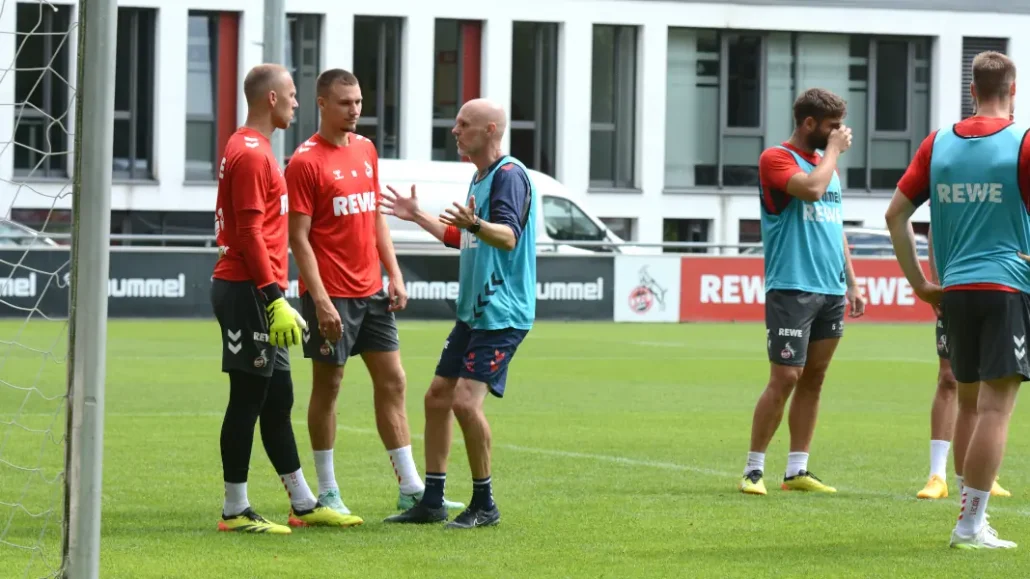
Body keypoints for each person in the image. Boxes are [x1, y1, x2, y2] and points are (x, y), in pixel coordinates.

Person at [285, 68, 463, 516]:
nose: (356, 111)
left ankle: (409, 487)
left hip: (372, 291)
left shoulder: (365, 150)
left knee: (395, 381)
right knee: (330, 386)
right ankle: (327, 491)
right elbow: (299, 238)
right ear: (322, 103)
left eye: (359, 102)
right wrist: (320, 299)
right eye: (346, 103)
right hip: (332, 295)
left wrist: (395, 273)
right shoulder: (304, 162)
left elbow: (375, 217)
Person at [887, 50, 1029, 549]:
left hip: (954, 292)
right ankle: (969, 525)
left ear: (973, 91)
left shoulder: (938, 142)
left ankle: (971, 519)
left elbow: (895, 216)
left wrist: (921, 284)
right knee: (997, 409)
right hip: (1005, 287)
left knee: (968, 403)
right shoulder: (1022, 142)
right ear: (1013, 91)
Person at [210, 63, 360, 534]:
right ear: (271, 99)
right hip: (248, 290)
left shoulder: (251, 146)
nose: (297, 102)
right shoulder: (253, 154)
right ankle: (236, 509)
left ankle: (303, 501)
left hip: (256, 290)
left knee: (279, 398)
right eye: (292, 94)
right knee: (248, 398)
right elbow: (251, 233)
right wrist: (274, 296)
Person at [379, 98, 536, 529]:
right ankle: (432, 499)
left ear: (489, 130)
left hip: (502, 313)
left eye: (464, 124)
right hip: (474, 313)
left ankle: (485, 504)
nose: (455, 130)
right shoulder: (479, 177)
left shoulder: (509, 176)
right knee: (436, 398)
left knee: (466, 404)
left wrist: (475, 225)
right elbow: (461, 236)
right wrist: (417, 217)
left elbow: (505, 236)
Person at [739, 88, 867, 497]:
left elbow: (834, 225)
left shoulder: (826, 167)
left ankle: (797, 470)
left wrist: (852, 282)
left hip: (829, 288)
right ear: (809, 124)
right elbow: (811, 190)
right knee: (786, 377)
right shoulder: (776, 158)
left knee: (814, 378)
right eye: (832, 127)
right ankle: (753, 469)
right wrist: (832, 152)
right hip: (792, 287)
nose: (840, 134)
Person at [916, 225, 1011, 501]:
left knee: (992, 383)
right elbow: (936, 226)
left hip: (1000, 289)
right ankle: (937, 475)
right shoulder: (952, 182)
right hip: (957, 288)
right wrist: (934, 281)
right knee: (949, 377)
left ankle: (982, 474)